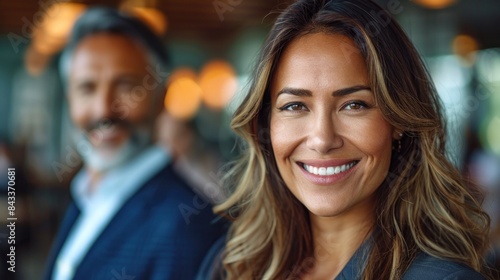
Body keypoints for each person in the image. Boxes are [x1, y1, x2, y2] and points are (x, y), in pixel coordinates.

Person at [196, 0, 492, 279]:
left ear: (398, 121)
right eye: (295, 106)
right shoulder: (231, 265)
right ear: (266, 124)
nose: (322, 139)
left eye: (354, 105)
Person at [43, 7, 226, 280]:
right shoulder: (86, 196)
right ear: (69, 99)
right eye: (87, 88)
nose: (104, 110)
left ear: (162, 97)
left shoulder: (185, 226)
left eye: (126, 86)